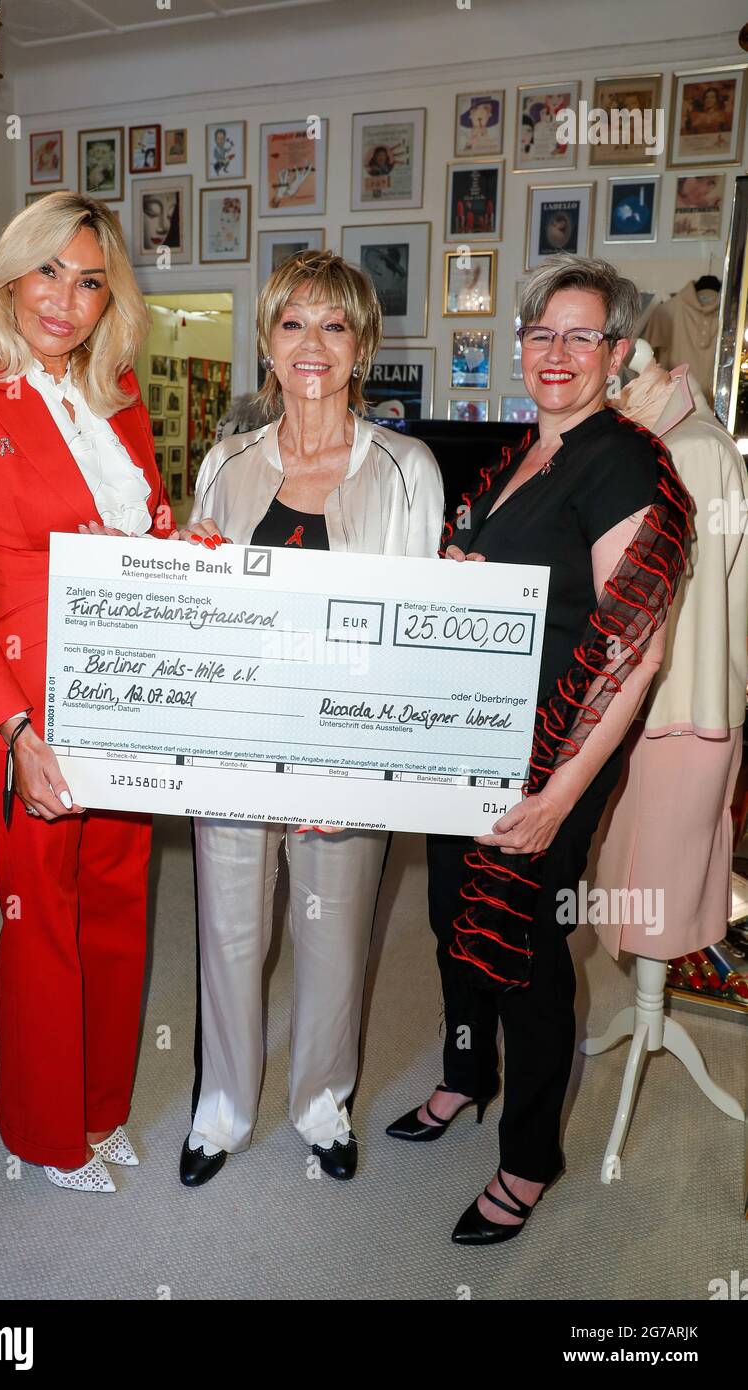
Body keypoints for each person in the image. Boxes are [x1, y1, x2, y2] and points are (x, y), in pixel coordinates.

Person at [386, 254, 690, 1244]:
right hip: (463, 743)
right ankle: (463, 1077)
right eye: (539, 334)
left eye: (579, 335)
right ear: (516, 344)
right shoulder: (513, 454)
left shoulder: (625, 461)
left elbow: (633, 655)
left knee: (521, 950)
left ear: (612, 351)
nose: (555, 353)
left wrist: (561, 795)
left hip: (547, 757)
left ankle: (526, 1158)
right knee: (449, 919)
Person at [0, 191, 174, 1194]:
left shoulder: (122, 401)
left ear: (112, 299)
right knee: (38, 918)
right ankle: (41, 1131)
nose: (67, 297)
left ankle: (99, 1108)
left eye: (91, 279)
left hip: (127, 694)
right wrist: (11, 726)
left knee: (115, 904)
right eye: (50, 270)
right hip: (24, 698)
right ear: (11, 273)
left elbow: (152, 541)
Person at [173, 249, 444, 1187]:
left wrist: (366, 768)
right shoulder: (228, 461)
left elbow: (410, 633)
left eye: (335, 325)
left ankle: (323, 1105)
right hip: (238, 754)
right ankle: (220, 1112)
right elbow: (203, 609)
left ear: (363, 344)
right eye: (294, 323)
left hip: (348, 751)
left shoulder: (408, 469)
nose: (313, 344)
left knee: (335, 940)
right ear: (268, 340)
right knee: (229, 932)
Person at [592, 356, 748, 960]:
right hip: (654, 696)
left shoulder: (691, 450)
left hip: (680, 699)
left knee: (657, 878)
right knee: (634, 867)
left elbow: (690, 594)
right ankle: (647, 1009)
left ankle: (653, 1010)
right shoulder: (658, 437)